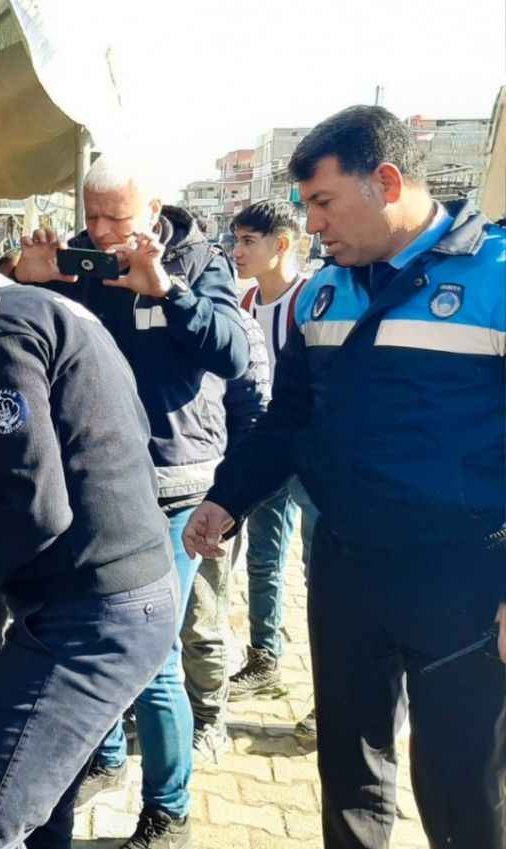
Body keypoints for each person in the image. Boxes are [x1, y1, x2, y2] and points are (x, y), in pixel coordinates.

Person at [184, 105, 506, 849]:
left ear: (387, 181)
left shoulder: (493, 277)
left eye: (323, 203)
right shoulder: (326, 294)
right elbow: (290, 421)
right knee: (351, 772)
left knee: (463, 787)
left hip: (462, 582)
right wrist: (228, 498)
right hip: (347, 569)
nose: (314, 225)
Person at [0, 244, 178, 849]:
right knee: (40, 817)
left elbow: (37, 508)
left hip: (93, 616)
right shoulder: (47, 308)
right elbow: (63, 463)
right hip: (116, 595)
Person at [15, 156, 249, 848]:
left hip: (172, 484)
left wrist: (169, 291)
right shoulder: (79, 259)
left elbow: (234, 353)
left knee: (149, 655)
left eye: (115, 217)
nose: (100, 231)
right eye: (91, 214)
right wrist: (23, 283)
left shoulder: (202, 259)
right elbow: (29, 338)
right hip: (93, 480)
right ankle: (106, 757)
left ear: (152, 210)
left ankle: (169, 807)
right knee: (94, 635)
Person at [225, 200, 313, 699]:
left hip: (310, 454)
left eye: (247, 241)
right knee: (263, 556)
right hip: (263, 448)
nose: (237, 251)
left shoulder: (311, 299)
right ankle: (264, 658)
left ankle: (337, 688)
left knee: (319, 568)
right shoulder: (244, 305)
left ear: (281, 245)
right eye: (236, 240)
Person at [182, 306, 270, 759]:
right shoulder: (132, 310)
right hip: (145, 492)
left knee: (201, 618)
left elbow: (256, 413)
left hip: (209, 497)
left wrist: (228, 497)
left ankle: (207, 717)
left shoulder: (232, 324)